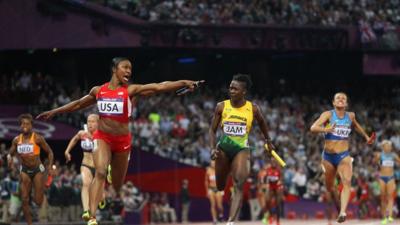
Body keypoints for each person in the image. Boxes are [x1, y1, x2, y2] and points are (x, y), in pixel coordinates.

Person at [36, 57, 202, 225]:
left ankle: (110, 169)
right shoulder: (98, 91)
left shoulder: (130, 90)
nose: (129, 71)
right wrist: (54, 112)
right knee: (99, 172)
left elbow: (160, 86)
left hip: (122, 140)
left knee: (117, 181)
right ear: (114, 69)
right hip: (103, 137)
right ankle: (92, 216)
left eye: (130, 68)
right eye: (125, 67)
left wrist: (183, 82)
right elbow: (78, 104)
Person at [209, 74, 275, 225]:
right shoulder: (221, 106)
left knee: (239, 184)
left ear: (243, 91)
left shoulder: (253, 109)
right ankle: (224, 178)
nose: (231, 90)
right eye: (230, 87)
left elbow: (263, 123)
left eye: (235, 88)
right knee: (220, 186)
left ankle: (231, 222)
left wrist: (268, 140)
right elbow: (212, 130)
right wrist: (212, 149)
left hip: (241, 149)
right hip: (223, 149)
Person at [310, 92, 375, 223]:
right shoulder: (328, 114)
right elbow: (313, 127)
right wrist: (326, 130)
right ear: (334, 103)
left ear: (346, 103)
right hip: (328, 157)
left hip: (344, 155)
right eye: (338, 98)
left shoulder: (350, 116)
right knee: (329, 188)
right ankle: (336, 201)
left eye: (343, 98)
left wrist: (366, 136)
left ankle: (342, 212)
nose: (340, 99)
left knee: (347, 182)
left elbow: (356, 126)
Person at [7, 113, 55, 225]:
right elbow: (10, 153)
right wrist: (9, 158)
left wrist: (50, 167)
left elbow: (50, 152)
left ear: (31, 126)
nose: (25, 126)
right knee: (24, 199)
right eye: (23, 124)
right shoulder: (16, 140)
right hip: (24, 170)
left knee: (38, 201)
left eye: (27, 124)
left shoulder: (38, 138)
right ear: (20, 125)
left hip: (38, 170)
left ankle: (37, 191)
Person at [64, 113, 100, 221]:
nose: (90, 124)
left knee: (98, 193)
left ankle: (101, 199)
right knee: (85, 184)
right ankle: (86, 211)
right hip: (86, 165)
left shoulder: (102, 134)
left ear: (98, 123)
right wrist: (67, 151)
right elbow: (75, 139)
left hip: (98, 168)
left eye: (93, 121)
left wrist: (93, 138)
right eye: (89, 121)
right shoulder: (82, 133)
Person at [373, 140, 400, 224]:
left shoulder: (393, 155)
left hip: (391, 178)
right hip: (382, 178)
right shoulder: (380, 155)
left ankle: (390, 216)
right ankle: (384, 217)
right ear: (383, 147)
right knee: (383, 198)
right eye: (387, 146)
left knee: (390, 197)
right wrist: (376, 158)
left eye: (389, 146)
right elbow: (375, 163)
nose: (388, 147)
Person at [262, 159, 283, 225]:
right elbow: (264, 178)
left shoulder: (278, 170)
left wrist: (280, 182)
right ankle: (270, 218)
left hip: (277, 187)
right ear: (271, 163)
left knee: (277, 204)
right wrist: (265, 183)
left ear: (276, 163)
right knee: (268, 202)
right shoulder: (268, 170)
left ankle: (278, 220)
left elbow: (281, 178)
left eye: (274, 162)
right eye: (272, 162)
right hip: (271, 187)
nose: (273, 163)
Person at [205, 160, 224, 224]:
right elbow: (206, 181)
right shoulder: (208, 170)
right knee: (213, 205)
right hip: (211, 189)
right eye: (212, 163)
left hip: (218, 189)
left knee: (219, 205)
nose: (213, 164)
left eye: (214, 163)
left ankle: (221, 215)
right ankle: (214, 219)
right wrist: (207, 190)